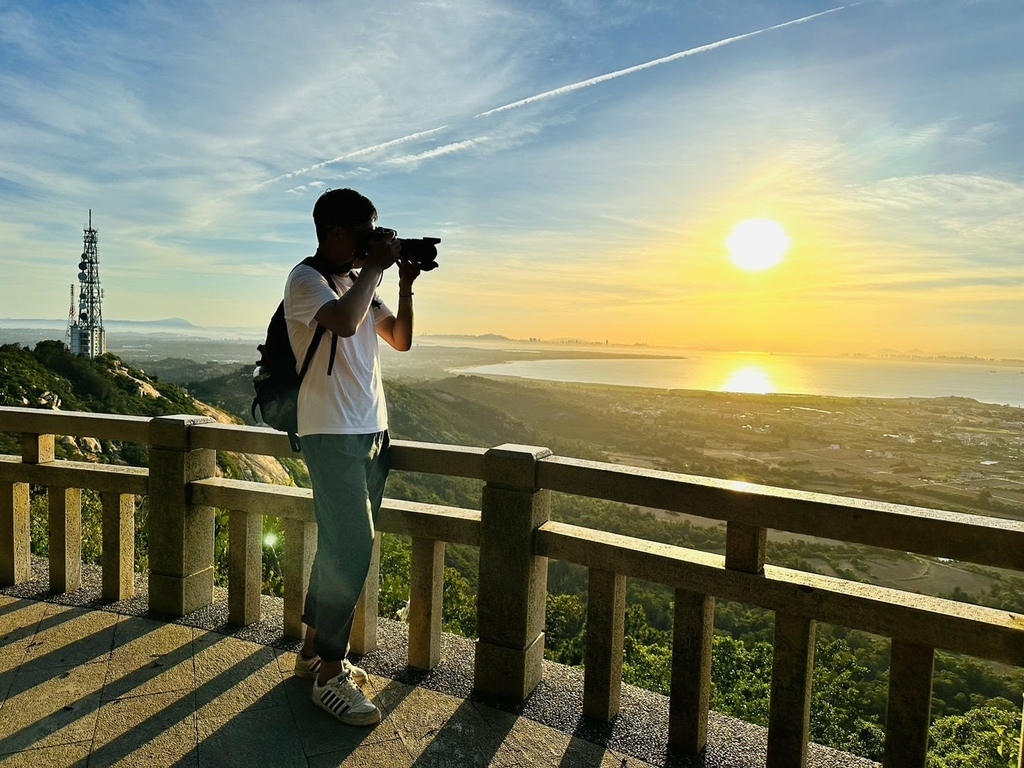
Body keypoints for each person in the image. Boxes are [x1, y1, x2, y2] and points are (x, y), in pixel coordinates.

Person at [283, 188, 420, 726]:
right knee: (353, 546)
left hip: (372, 431)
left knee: (339, 545)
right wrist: (374, 272)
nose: (375, 240)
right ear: (336, 233)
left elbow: (401, 339)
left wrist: (402, 284)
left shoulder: (359, 282)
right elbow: (341, 323)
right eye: (366, 231)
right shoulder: (307, 279)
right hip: (330, 433)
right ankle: (329, 675)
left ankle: (312, 652)